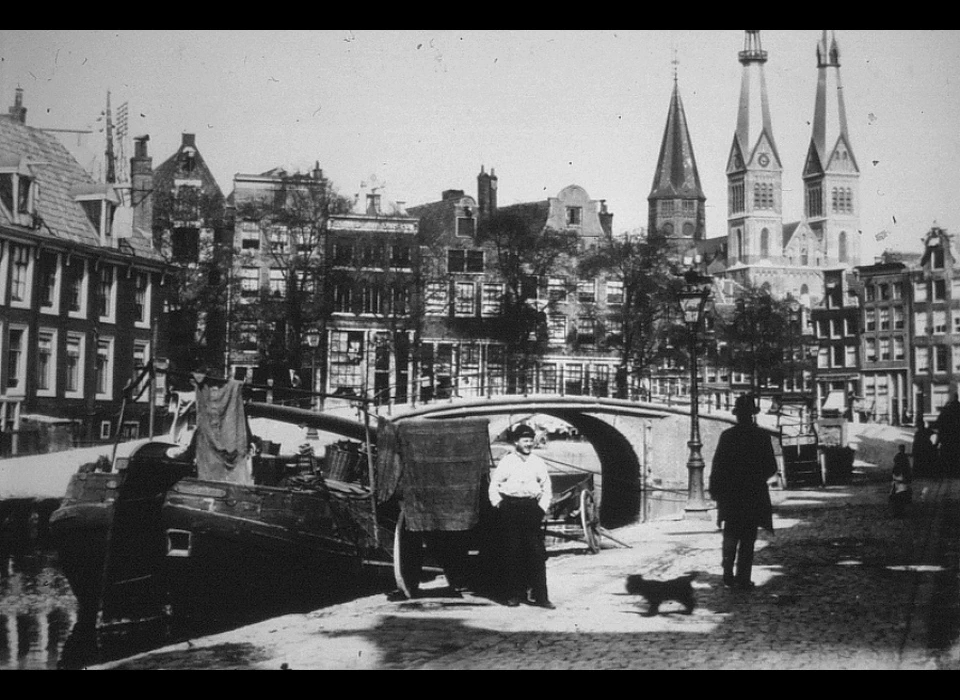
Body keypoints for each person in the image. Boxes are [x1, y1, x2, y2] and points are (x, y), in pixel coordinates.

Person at [709, 394, 778, 591]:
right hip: (753, 494)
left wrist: (716, 490)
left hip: (731, 495)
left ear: (737, 415)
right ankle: (743, 578)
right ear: (753, 415)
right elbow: (771, 467)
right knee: (748, 537)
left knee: (730, 534)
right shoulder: (762, 437)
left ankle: (728, 573)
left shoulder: (727, 436)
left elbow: (718, 466)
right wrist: (756, 477)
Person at [488, 424, 555, 608]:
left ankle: (541, 597)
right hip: (511, 508)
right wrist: (499, 504)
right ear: (516, 442)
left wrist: (541, 508)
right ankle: (514, 595)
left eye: (530, 441)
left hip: (531, 509)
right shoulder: (507, 462)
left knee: (536, 553)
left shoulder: (537, 462)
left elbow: (547, 488)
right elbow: (494, 485)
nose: (528, 444)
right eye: (525, 441)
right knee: (512, 552)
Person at [933, 393, 960, 475]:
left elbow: (939, 423)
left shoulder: (946, 409)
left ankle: (948, 470)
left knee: (948, 454)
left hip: (947, 437)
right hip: (958, 437)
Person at [890, 444, 913, 517]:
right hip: (901, 482)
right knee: (901, 497)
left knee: (898, 498)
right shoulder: (903, 459)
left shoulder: (899, 458)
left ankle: (898, 512)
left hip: (899, 482)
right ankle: (899, 512)